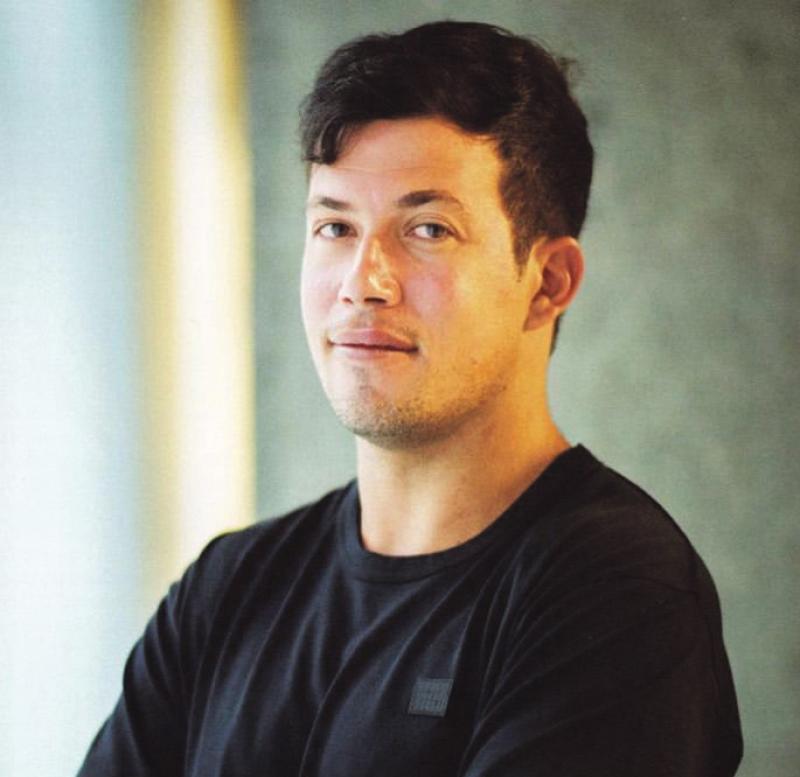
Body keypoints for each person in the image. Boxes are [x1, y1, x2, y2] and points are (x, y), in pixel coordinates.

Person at [78, 20, 743, 776]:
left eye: (427, 229)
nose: (362, 281)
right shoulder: (228, 588)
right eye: (335, 226)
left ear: (548, 282)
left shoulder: (615, 593)